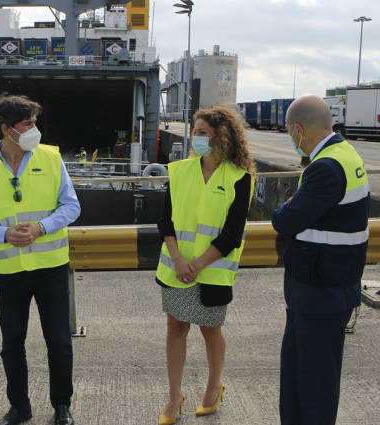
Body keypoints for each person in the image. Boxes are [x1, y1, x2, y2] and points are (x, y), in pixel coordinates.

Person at [0, 95, 80, 425]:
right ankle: (19, 407)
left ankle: (62, 405)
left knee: (58, 340)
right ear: (6, 129)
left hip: (50, 266)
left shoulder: (51, 158)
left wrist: (42, 227)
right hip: (9, 269)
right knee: (11, 343)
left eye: (34, 122)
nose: (34, 129)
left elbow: (71, 206)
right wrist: (2, 235)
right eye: (28, 124)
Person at [155, 106, 255, 425]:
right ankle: (174, 397)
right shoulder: (179, 171)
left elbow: (231, 235)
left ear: (221, 137)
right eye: (195, 131)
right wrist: (179, 260)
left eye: (201, 132)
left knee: (210, 329)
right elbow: (165, 222)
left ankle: (213, 387)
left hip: (211, 271)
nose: (195, 137)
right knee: (176, 327)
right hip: (176, 266)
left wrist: (196, 265)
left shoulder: (240, 178)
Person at [272, 95, 368, 425]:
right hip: (328, 289)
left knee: (312, 388)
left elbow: (285, 220)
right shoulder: (344, 154)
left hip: (319, 293)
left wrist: (285, 207)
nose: (291, 138)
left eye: (288, 131)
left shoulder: (325, 168)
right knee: (307, 381)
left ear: (298, 129)